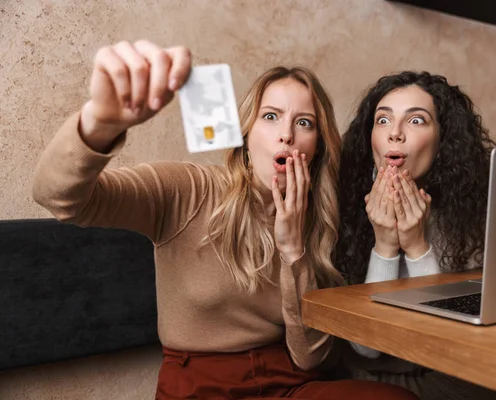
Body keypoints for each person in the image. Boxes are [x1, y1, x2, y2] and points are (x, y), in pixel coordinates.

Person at [31, 40, 418, 400]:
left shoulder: (322, 220)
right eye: (271, 117)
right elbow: (59, 198)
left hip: (290, 383)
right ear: (246, 136)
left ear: (316, 149)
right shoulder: (189, 191)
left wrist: (293, 250)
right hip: (198, 386)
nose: (287, 134)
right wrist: (100, 122)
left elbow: (311, 359)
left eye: (304, 123)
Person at [335, 71, 496, 399]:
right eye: (383, 120)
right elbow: (368, 348)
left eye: (416, 121)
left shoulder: (469, 211)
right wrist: (385, 245)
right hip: (375, 374)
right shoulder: (344, 203)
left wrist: (417, 246)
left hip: (449, 365)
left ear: (442, 140)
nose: (395, 134)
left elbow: (451, 339)